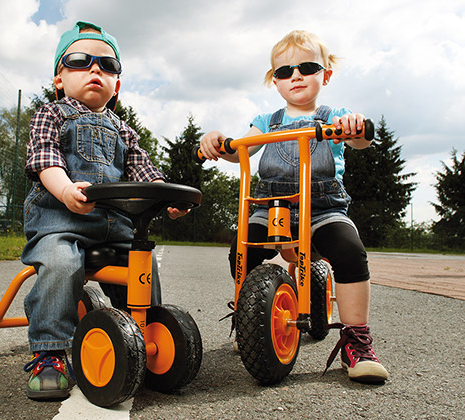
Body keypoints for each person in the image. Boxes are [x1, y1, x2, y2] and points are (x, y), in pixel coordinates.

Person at [199, 30, 389, 384]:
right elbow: (239, 149)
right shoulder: (266, 122)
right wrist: (215, 142)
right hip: (271, 207)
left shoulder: (336, 115)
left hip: (322, 209)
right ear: (274, 81)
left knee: (349, 251)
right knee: (242, 249)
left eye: (307, 67)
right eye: (284, 71)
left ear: (325, 74)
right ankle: (249, 316)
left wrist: (355, 126)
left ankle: (356, 341)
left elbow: (361, 138)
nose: (296, 76)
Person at [21, 21, 188, 401]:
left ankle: (144, 333)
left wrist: (167, 198)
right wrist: (65, 190)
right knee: (61, 264)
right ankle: (49, 352)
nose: (95, 69)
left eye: (108, 65)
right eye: (80, 60)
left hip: (115, 227)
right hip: (60, 221)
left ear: (117, 85)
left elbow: (144, 172)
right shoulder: (52, 114)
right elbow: (45, 158)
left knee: (142, 262)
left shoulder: (123, 130)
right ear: (59, 78)